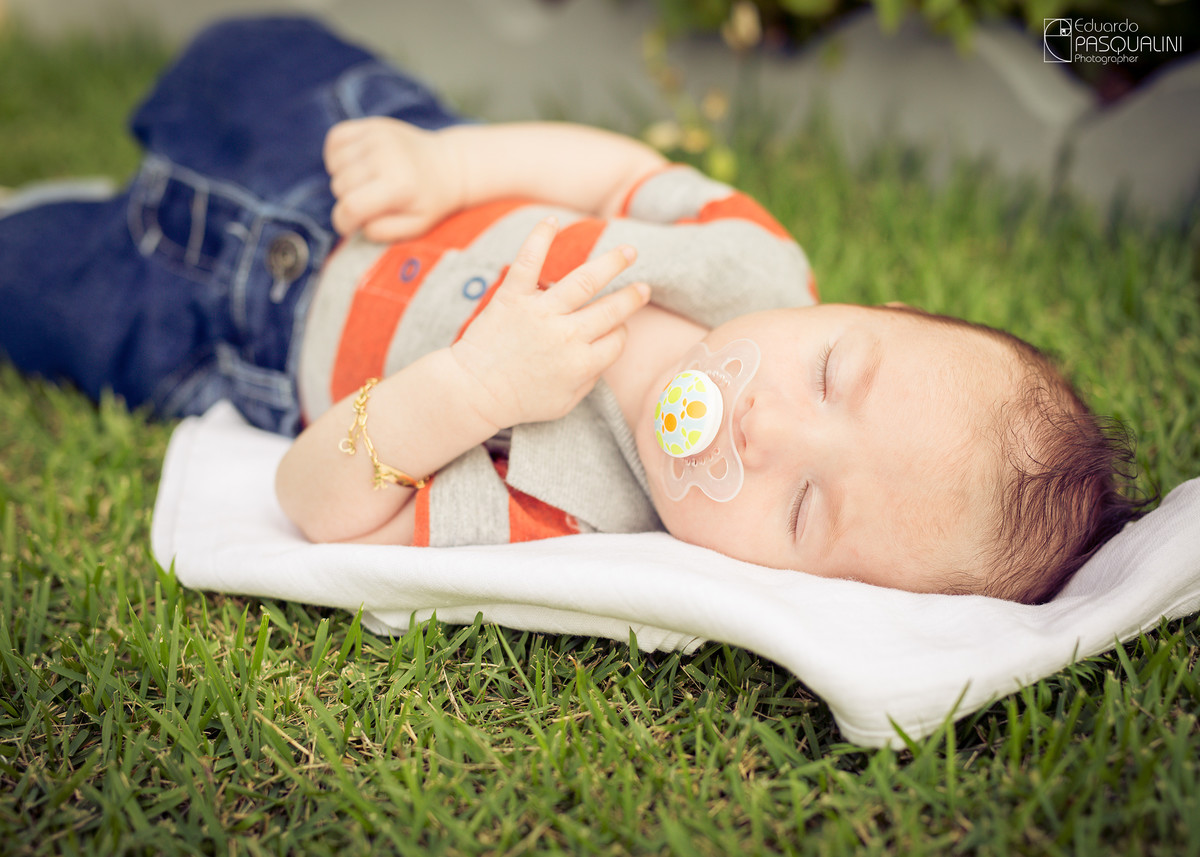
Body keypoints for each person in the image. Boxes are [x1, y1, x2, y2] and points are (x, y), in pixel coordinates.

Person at [0, 16, 1146, 605]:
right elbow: (613, 172)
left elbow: (312, 499)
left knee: (33, 282)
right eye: (833, 372)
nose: (768, 429)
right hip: (365, 168)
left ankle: (70, 223)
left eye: (805, 506)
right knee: (252, 53)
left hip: (222, 327)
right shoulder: (748, 262)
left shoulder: (577, 514)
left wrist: (471, 390)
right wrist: (451, 168)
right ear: (870, 307)